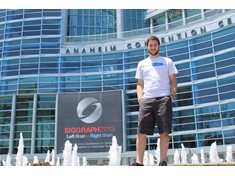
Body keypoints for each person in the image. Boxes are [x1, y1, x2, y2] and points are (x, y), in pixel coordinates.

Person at [131, 35, 178, 166]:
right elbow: (140, 83)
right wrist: (140, 99)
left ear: (159, 46)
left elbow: (173, 80)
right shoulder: (142, 64)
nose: (153, 47)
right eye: (150, 45)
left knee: (164, 132)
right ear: (147, 47)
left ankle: (162, 161)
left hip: (163, 98)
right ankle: (139, 162)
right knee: (141, 132)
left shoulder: (167, 61)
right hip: (146, 99)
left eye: (155, 45)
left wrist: (172, 95)